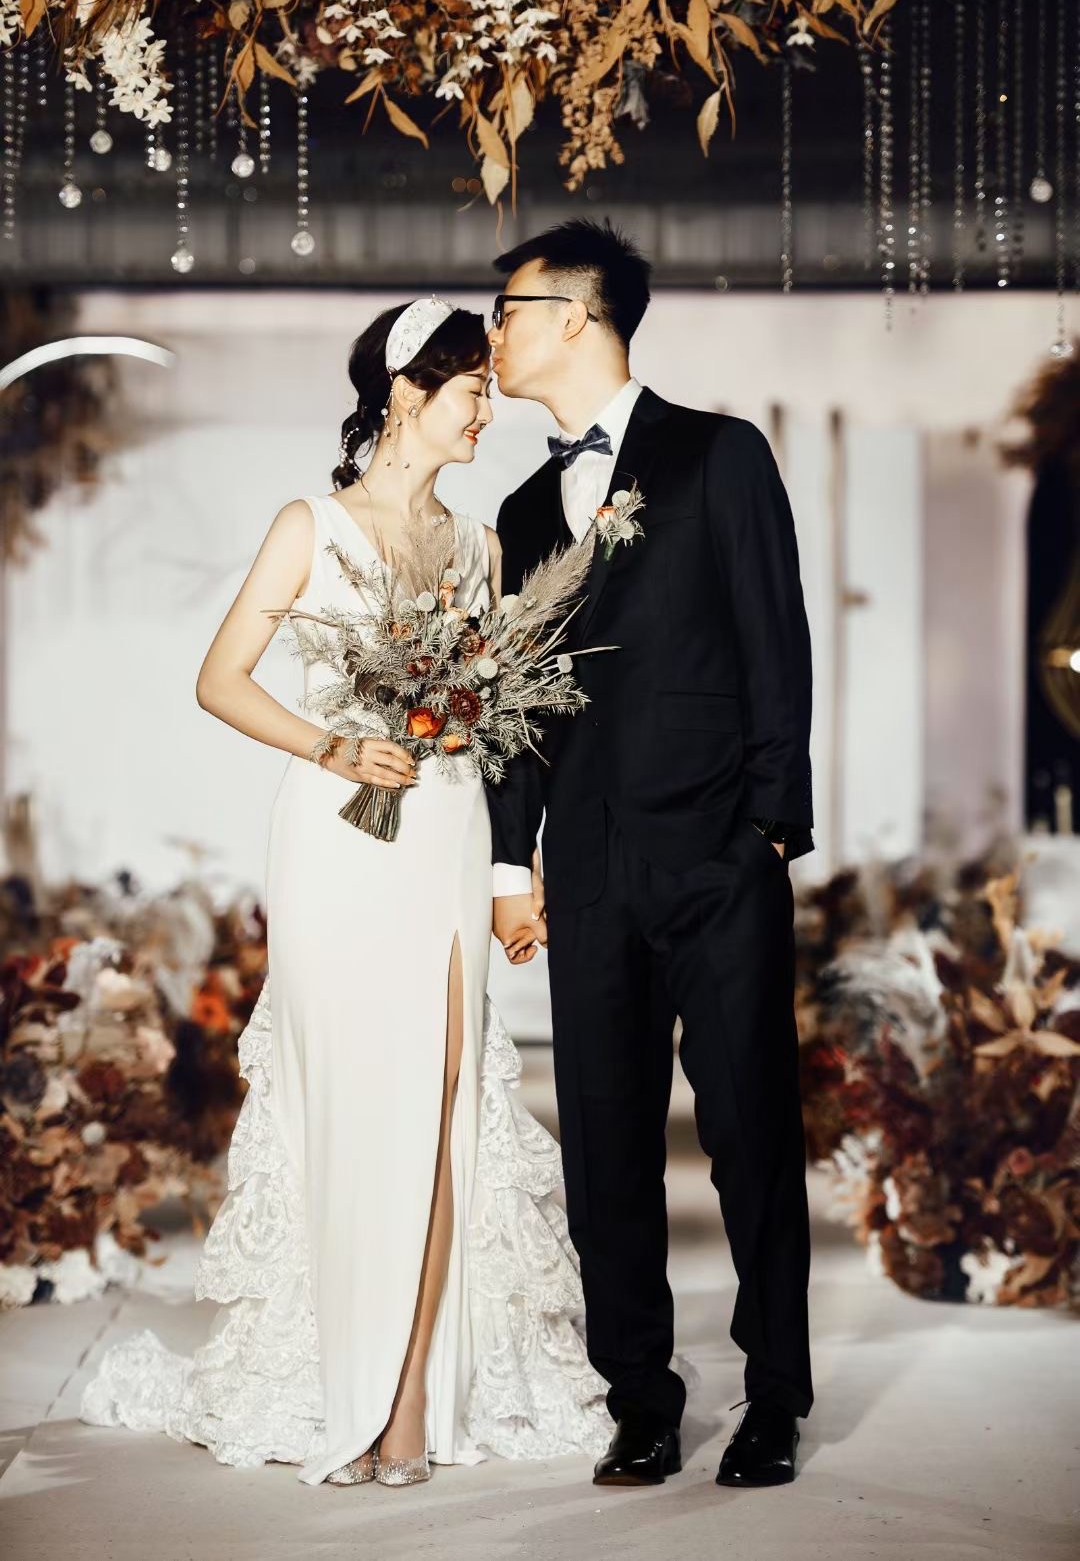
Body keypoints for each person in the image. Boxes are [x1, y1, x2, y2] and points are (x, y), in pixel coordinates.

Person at [79, 297, 610, 1486]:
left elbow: (502, 725)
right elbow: (220, 678)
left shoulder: (478, 547)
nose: (486, 414)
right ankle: (342, 1376)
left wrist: (506, 859)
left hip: (443, 829)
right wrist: (334, 746)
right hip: (335, 837)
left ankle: (407, 1392)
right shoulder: (308, 526)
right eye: (472, 392)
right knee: (348, 1103)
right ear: (409, 394)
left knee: (440, 1102)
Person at [486, 220, 815, 1490]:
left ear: (576, 314)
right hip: (590, 868)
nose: (494, 333)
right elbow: (515, 707)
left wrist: (768, 829)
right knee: (605, 1146)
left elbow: (775, 641)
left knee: (750, 1135)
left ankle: (776, 1397)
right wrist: (513, 860)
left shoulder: (720, 454)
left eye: (509, 309)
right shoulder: (523, 510)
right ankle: (641, 1398)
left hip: (719, 856)